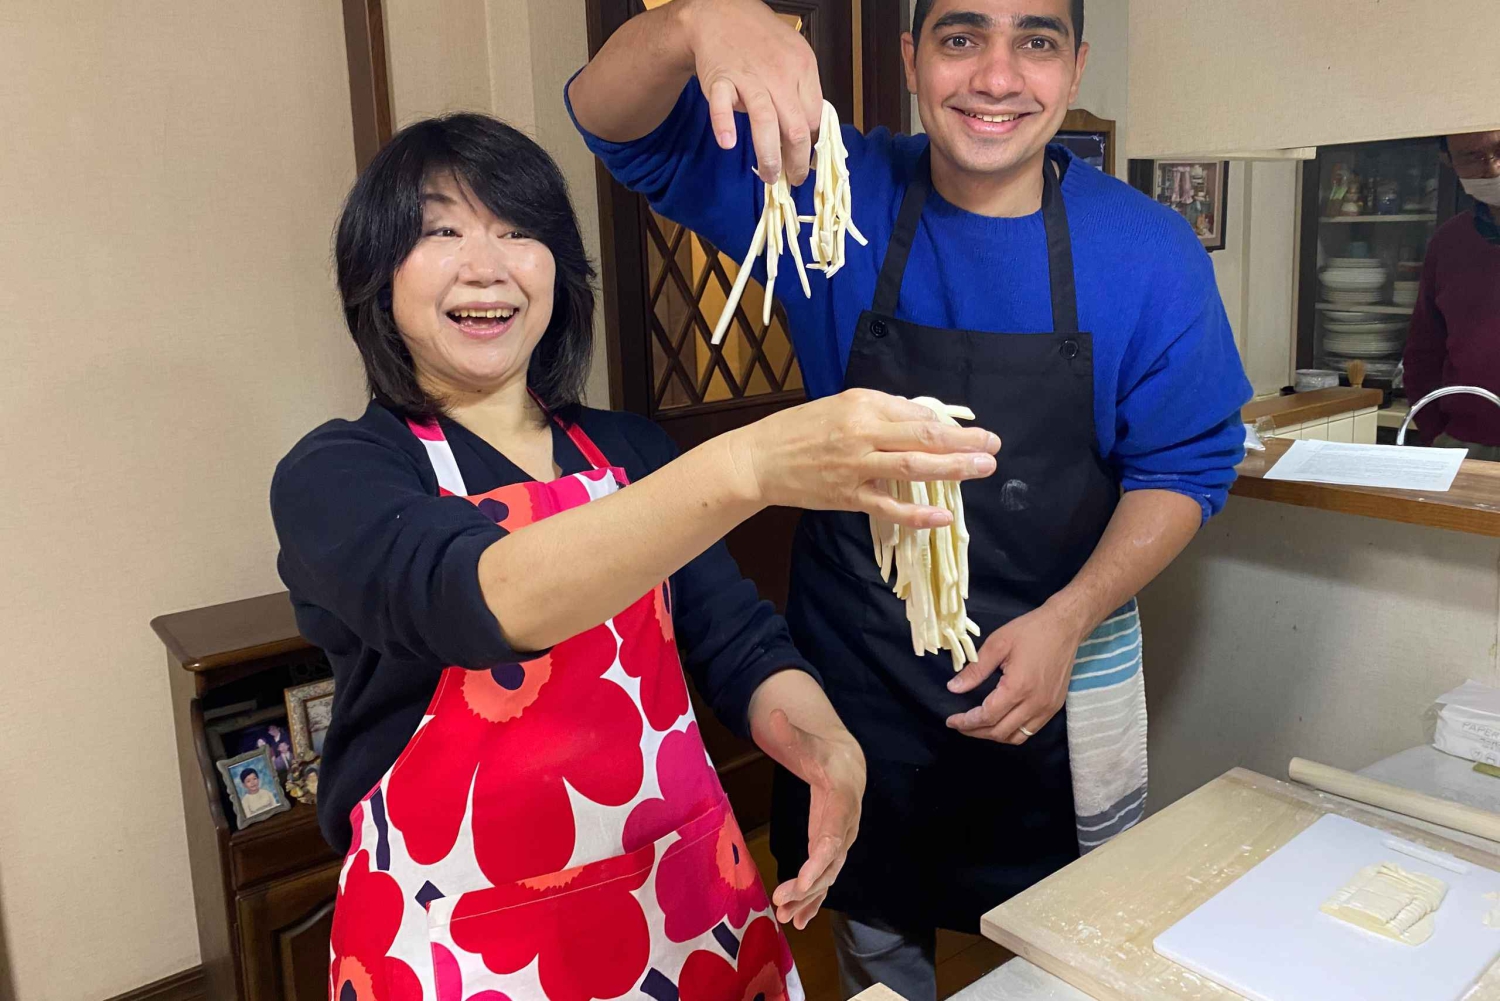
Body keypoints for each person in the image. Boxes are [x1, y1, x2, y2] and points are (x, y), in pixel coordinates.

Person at [568, 1, 1252, 996]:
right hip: (859, 668)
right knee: (879, 945)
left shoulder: (1146, 252)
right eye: (962, 38)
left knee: (1064, 954)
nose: (997, 77)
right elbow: (613, 123)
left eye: (1037, 42)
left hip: (1059, 660)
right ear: (911, 57)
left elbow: (1184, 468)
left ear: (1076, 66)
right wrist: (694, 25)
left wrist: (1070, 616)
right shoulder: (828, 194)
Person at [270, 114, 998, 1001]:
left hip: (681, 901)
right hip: (457, 940)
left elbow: (734, 642)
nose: (486, 264)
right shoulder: (337, 474)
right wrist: (748, 464)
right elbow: (484, 598)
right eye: (440, 232)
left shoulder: (627, 451)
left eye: (518, 231)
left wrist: (823, 744)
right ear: (376, 274)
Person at [1401, 130, 1500, 457]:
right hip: (1465, 445)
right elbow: (1422, 352)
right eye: (1472, 156)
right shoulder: (1449, 242)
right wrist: (1436, 436)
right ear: (1448, 161)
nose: (1492, 169)